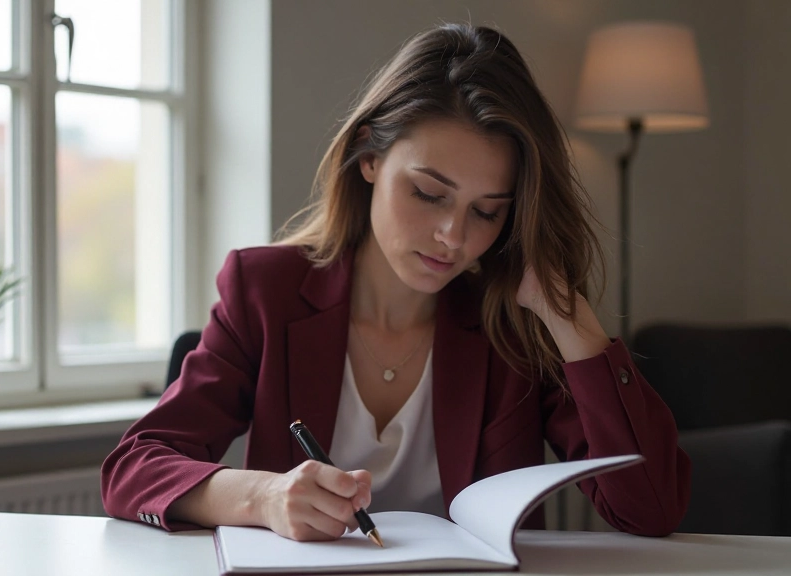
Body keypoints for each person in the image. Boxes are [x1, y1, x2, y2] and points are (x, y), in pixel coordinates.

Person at [101, 22, 690, 541]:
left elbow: (650, 509)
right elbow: (133, 468)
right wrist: (265, 498)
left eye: (487, 211)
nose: (453, 237)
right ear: (369, 158)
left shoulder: (511, 322)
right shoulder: (266, 292)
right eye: (429, 193)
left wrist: (571, 320)